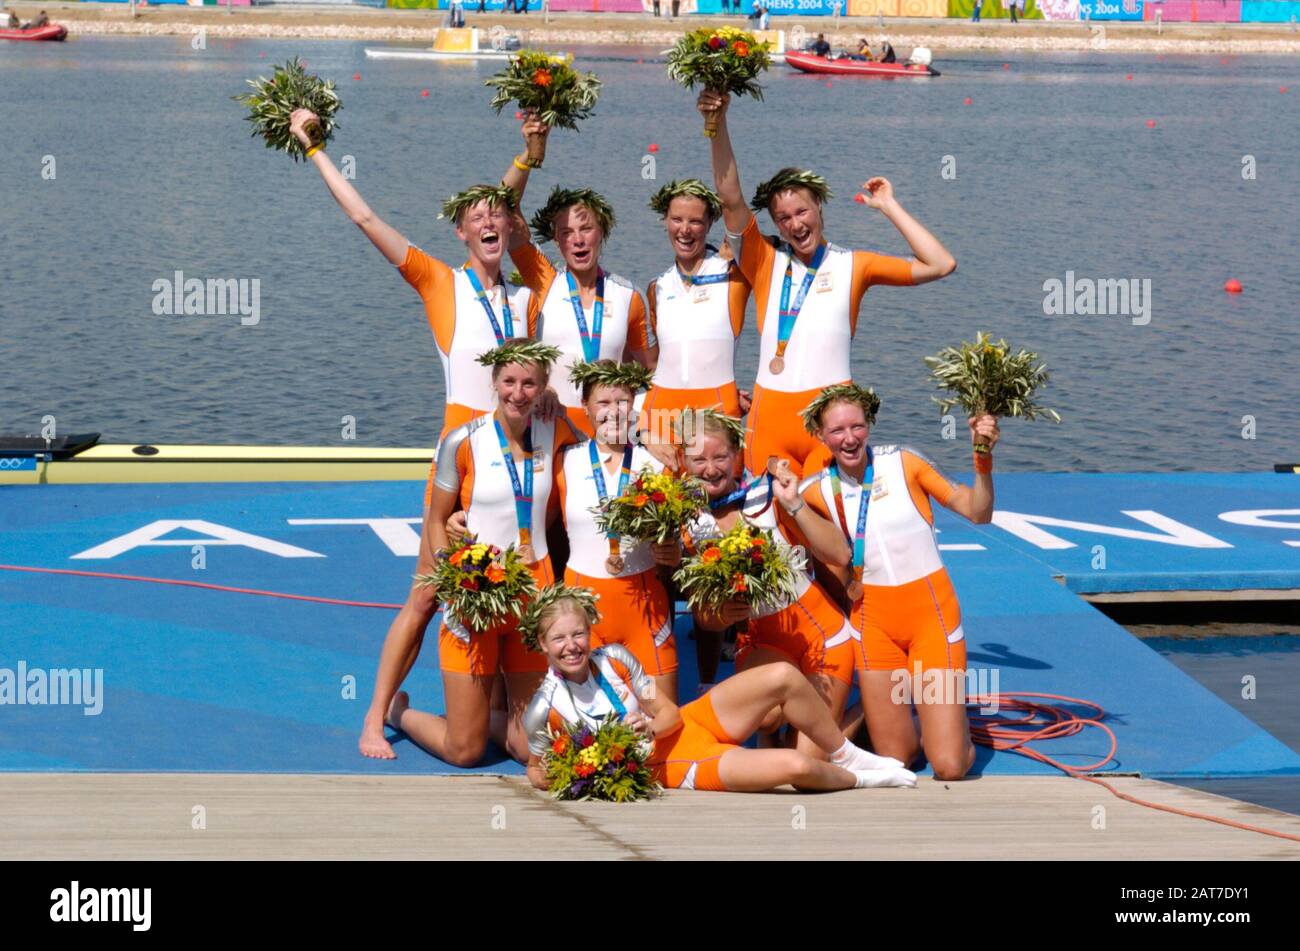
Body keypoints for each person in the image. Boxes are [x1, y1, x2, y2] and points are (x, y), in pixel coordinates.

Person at [287, 109, 550, 516]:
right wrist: (315, 149)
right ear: (461, 232)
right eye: (476, 217)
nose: (488, 221)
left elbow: (533, 381)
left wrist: (527, 155)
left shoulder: (526, 300)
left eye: (496, 214)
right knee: (434, 572)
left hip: (520, 446)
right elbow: (364, 217)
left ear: (510, 224)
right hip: (461, 448)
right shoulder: (439, 281)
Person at [698, 90, 957, 478]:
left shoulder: (855, 265)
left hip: (832, 421)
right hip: (770, 418)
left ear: (819, 205)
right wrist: (716, 125)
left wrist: (889, 207)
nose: (795, 224)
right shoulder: (763, 259)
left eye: (802, 211)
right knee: (767, 533)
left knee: (832, 529)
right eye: (783, 218)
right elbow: (730, 197)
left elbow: (941, 263)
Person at [378, 340, 581, 768]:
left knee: (532, 750)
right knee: (465, 752)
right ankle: (401, 711)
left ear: (543, 388)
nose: (517, 392)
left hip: (533, 598)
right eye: (508, 381)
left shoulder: (557, 432)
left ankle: (487, 716)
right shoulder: (462, 441)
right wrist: (452, 578)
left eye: (529, 383)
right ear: (493, 382)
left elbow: (593, 470)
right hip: (477, 596)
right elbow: (437, 520)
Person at [792, 383, 999, 780]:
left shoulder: (905, 462)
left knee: (949, 766)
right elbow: (802, 545)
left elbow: (979, 513)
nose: (849, 438)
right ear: (820, 436)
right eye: (837, 431)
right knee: (897, 761)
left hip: (931, 619)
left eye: (857, 426)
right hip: (874, 625)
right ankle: (896, 718)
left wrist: (982, 458)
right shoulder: (813, 491)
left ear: (869, 424)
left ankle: (955, 732)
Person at [520, 589, 917, 792]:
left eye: (578, 634)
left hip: (689, 723)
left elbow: (671, 715)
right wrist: (585, 770)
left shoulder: (616, 658)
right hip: (670, 766)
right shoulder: (542, 709)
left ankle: (851, 756)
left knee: (781, 675)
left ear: (590, 634)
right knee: (797, 769)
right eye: (559, 639)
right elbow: (536, 771)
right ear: (542, 645)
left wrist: (649, 728)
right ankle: (864, 780)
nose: (571, 646)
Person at [657, 411, 857, 758]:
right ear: (683, 462)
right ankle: (783, 730)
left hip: (823, 637)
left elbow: (839, 553)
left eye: (720, 457)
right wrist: (722, 617)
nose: (710, 469)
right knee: (762, 719)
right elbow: (704, 619)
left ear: (736, 455)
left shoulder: (768, 492)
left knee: (806, 761)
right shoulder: (687, 522)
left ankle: (866, 710)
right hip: (761, 641)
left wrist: (794, 504)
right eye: (698, 460)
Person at [552, 360, 681, 703]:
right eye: (603, 403)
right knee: (590, 723)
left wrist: (673, 549)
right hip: (582, 614)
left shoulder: (657, 463)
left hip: (644, 615)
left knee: (660, 714)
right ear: (586, 408)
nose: (613, 411)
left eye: (623, 402)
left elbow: (676, 539)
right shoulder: (563, 459)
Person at [507, 184, 657, 439]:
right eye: (567, 232)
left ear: (602, 232)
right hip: (551, 424)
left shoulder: (628, 295)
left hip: (610, 432)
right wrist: (528, 156)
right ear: (557, 240)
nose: (578, 240)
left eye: (586, 229)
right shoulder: (544, 281)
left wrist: (645, 432)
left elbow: (651, 372)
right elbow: (508, 208)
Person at [642, 179, 751, 437]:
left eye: (695, 221)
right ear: (664, 220)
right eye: (676, 219)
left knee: (717, 477)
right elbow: (655, 360)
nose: (685, 230)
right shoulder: (657, 286)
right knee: (655, 479)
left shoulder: (733, 274)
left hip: (716, 404)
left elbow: (743, 221)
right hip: (661, 409)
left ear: (710, 223)